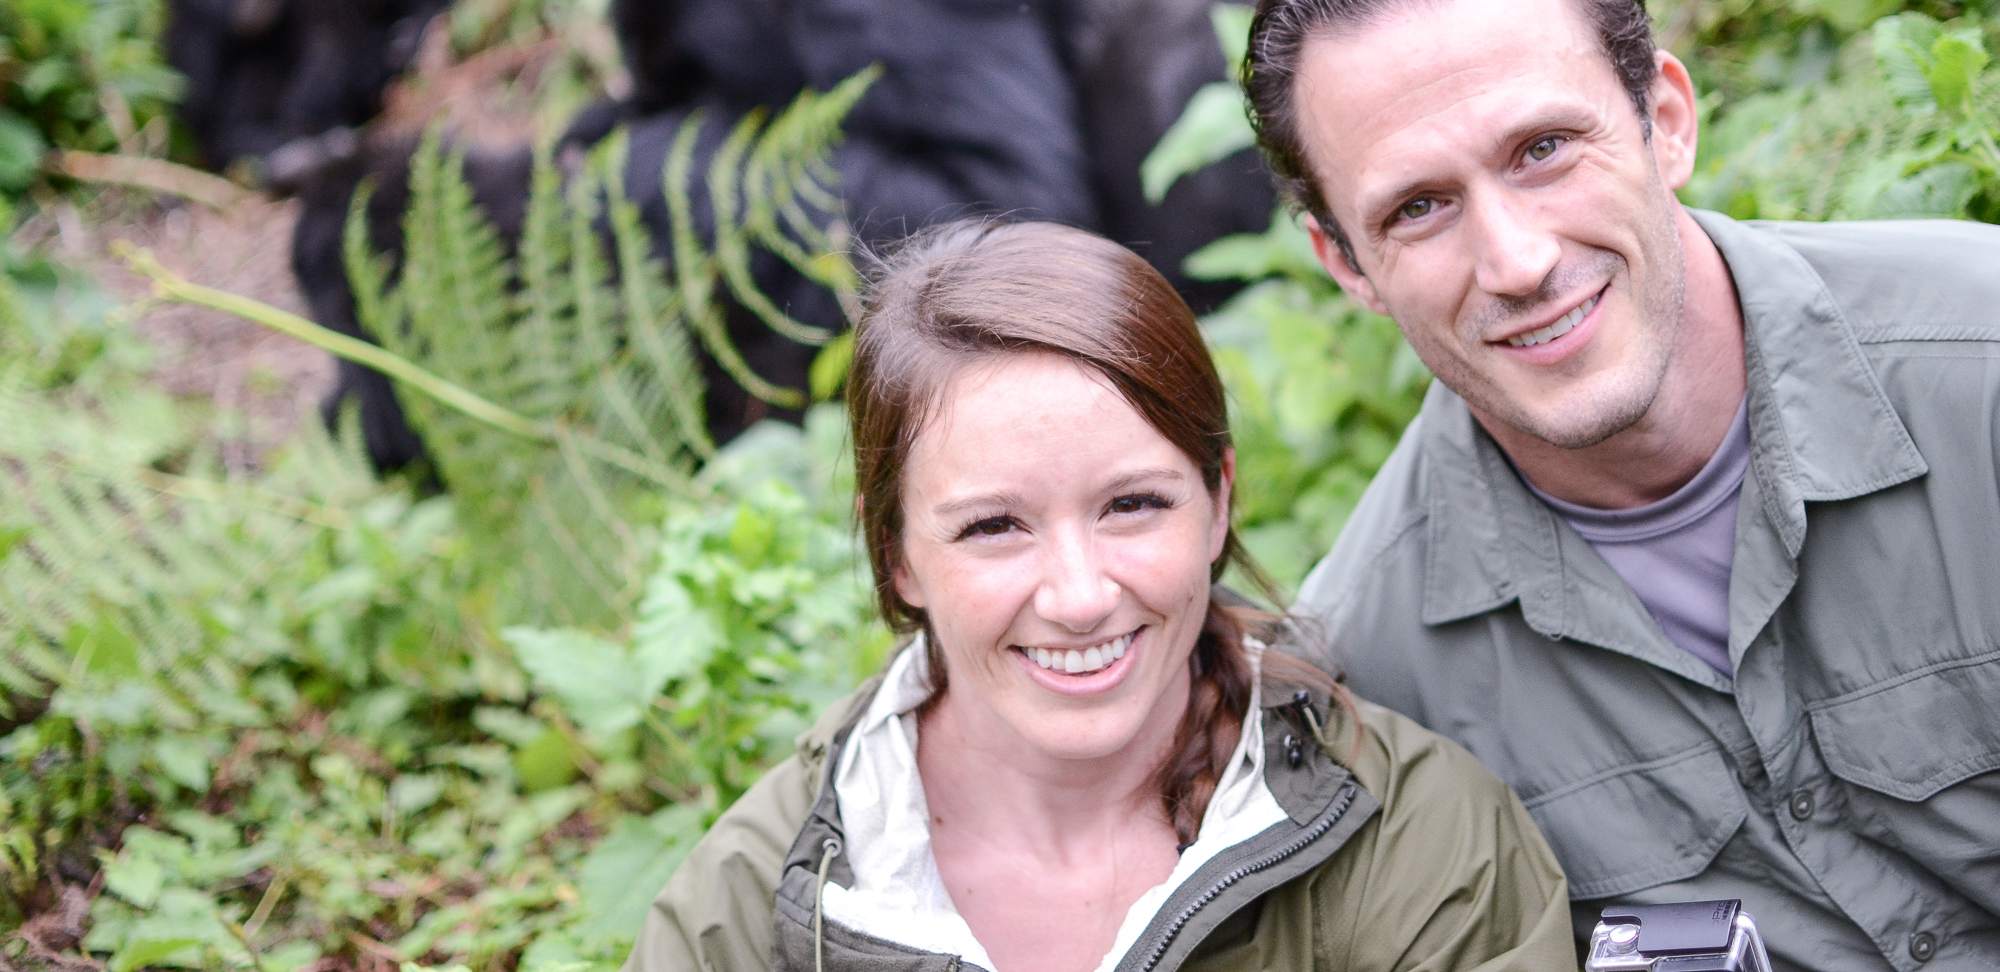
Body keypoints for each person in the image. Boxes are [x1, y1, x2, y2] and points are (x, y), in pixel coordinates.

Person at [1240, 0, 2000, 970]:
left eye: (1542, 148)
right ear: (1344, 264)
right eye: (1418, 207)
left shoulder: (1979, 369)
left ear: (1664, 119)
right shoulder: (1369, 680)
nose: (1517, 261)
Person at [626, 219, 1575, 972]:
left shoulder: (1415, 842)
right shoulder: (763, 897)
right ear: (899, 556)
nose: (1079, 597)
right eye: (994, 525)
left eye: (1132, 505)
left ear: (1217, 503)